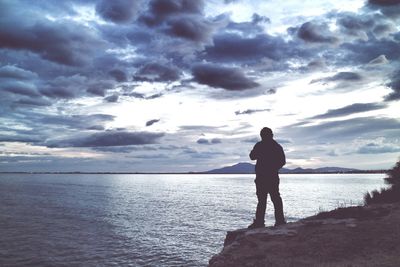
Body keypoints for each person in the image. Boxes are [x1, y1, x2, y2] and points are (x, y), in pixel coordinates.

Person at [248, 127, 286, 229]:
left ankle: (261, 222)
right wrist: (274, 168)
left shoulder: (260, 145)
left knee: (264, 200)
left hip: (263, 177)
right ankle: (279, 221)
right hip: (270, 177)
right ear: (271, 135)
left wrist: (272, 168)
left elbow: (252, 156)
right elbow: (282, 161)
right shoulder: (276, 146)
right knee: (274, 199)